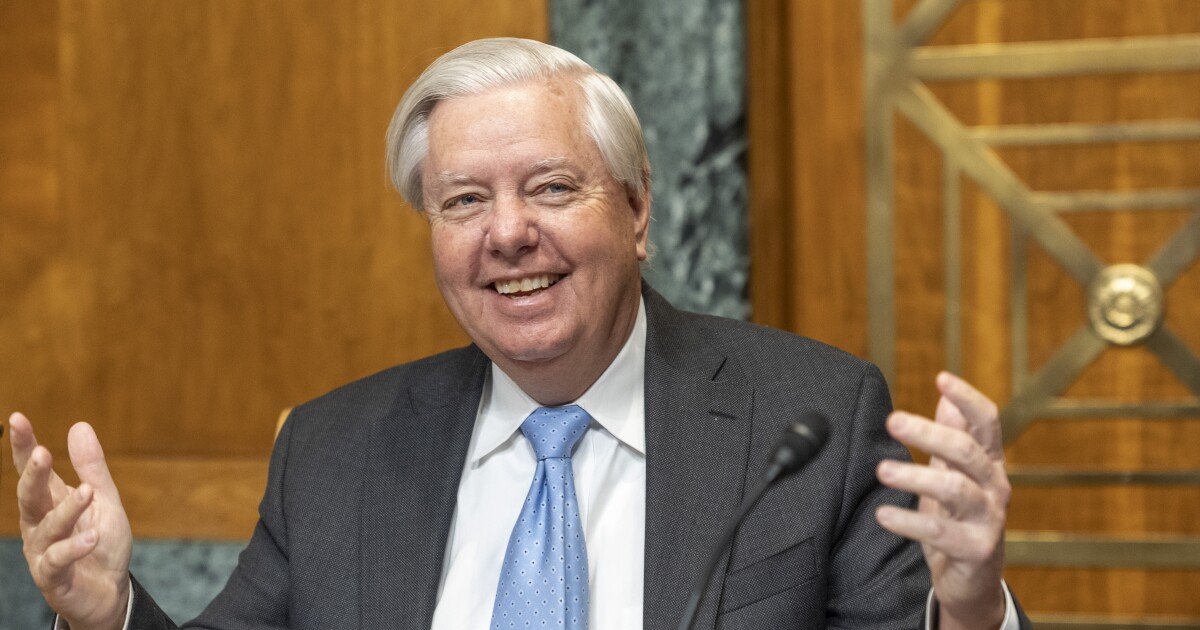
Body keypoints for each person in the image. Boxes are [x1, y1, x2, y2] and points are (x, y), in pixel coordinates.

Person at [9, 38, 1029, 629]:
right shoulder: (334, 450)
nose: (506, 234)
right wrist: (108, 615)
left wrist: (974, 610)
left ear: (637, 210)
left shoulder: (810, 419)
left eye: (550, 187)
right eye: (463, 201)